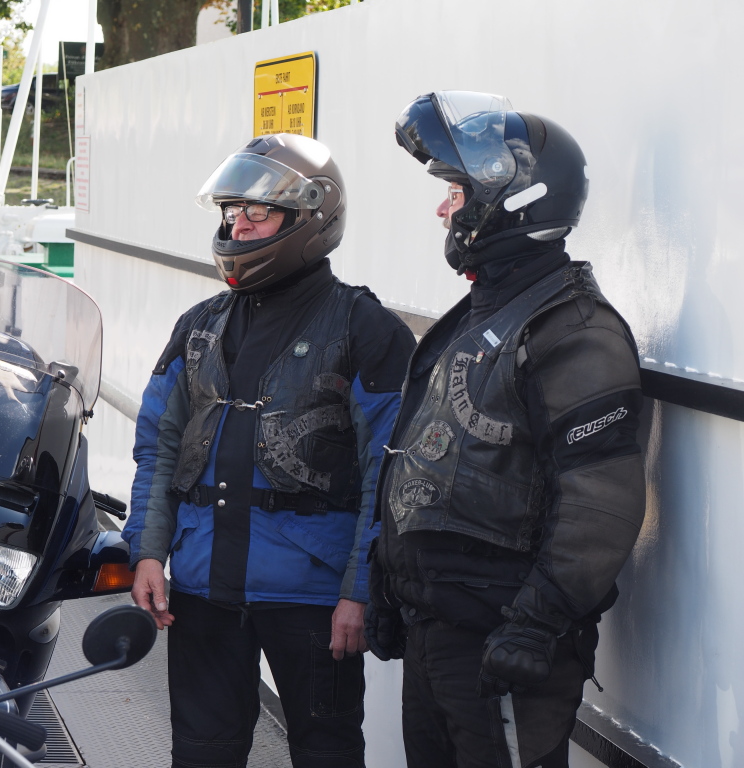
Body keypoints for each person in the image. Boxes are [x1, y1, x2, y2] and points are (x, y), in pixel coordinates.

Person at [365, 91, 646, 768]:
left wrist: (536, 624)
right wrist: (389, 579)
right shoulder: (482, 312)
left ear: (512, 200)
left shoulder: (574, 329)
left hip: (503, 644)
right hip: (438, 632)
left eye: (455, 192)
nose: (443, 210)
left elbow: (600, 503)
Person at [124, 133, 416, 768]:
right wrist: (147, 551)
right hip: (201, 586)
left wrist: (360, 592)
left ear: (311, 217)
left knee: (327, 754)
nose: (238, 225)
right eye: (233, 210)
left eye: (258, 211)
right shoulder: (198, 325)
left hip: (313, 596)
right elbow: (158, 449)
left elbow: (391, 473)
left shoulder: (367, 329)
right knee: (200, 754)